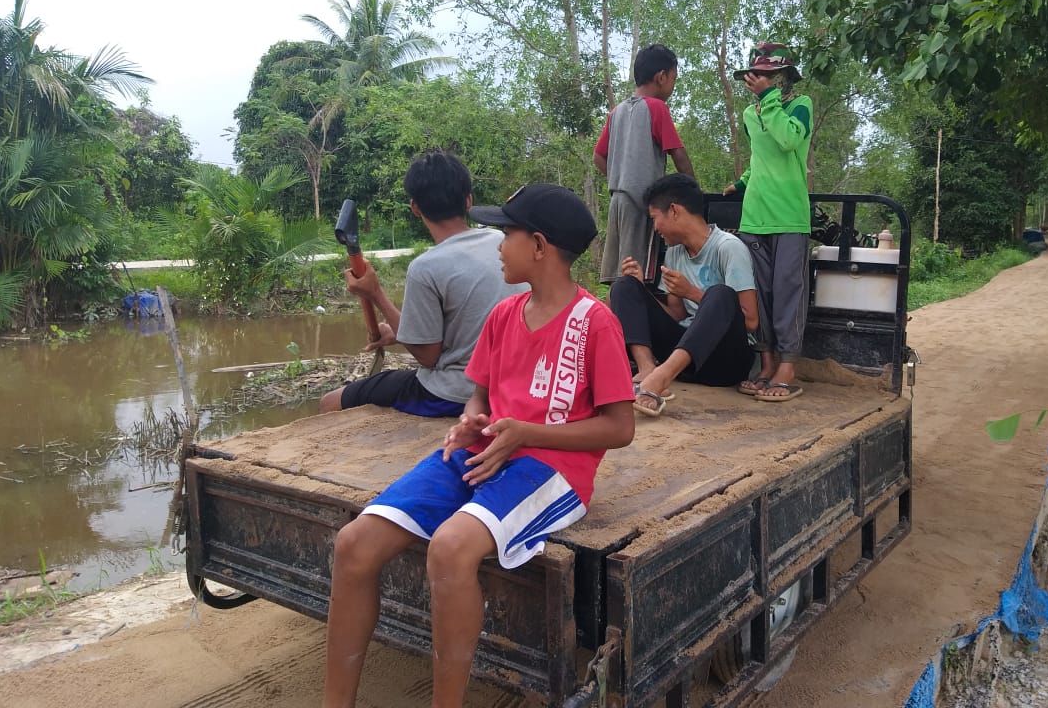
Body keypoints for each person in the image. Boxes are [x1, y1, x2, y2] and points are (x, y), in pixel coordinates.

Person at [322, 183, 636, 708]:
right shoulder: (504, 315)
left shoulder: (595, 323)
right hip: (486, 451)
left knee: (450, 549)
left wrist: (527, 433)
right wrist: (472, 421)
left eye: (507, 234)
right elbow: (480, 395)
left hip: (552, 469)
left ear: (539, 246)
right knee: (354, 544)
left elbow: (620, 428)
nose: (498, 246)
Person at [319, 151, 526, 417]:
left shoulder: (426, 267)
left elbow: (428, 357)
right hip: (514, 384)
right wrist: (400, 332)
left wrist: (375, 293)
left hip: (457, 393)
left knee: (330, 402)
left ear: (415, 207)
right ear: (469, 200)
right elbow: (468, 324)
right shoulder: (500, 240)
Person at [609, 174, 758, 417]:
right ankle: (647, 368)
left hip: (725, 362)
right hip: (685, 362)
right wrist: (642, 294)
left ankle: (661, 377)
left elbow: (750, 321)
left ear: (674, 211)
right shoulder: (675, 253)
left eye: (655, 218)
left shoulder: (728, 248)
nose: (655, 228)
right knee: (624, 286)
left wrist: (692, 293)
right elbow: (677, 315)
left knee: (720, 294)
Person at [724, 41, 813, 403]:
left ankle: (788, 367)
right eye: (754, 74)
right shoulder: (751, 114)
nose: (756, 80)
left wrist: (769, 100)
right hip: (755, 215)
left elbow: (788, 140)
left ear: (782, 77)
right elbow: (762, 157)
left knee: (789, 290)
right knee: (757, 293)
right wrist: (743, 182)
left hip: (790, 215)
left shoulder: (800, 106)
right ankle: (766, 363)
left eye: (765, 74)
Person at [594, 43, 695, 284]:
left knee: (619, 273)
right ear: (661, 77)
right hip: (642, 204)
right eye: (673, 79)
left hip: (617, 202)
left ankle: (617, 306)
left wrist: (620, 178)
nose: (673, 86)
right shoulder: (657, 108)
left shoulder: (616, 112)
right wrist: (693, 194)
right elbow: (678, 154)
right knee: (637, 273)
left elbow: (598, 156)